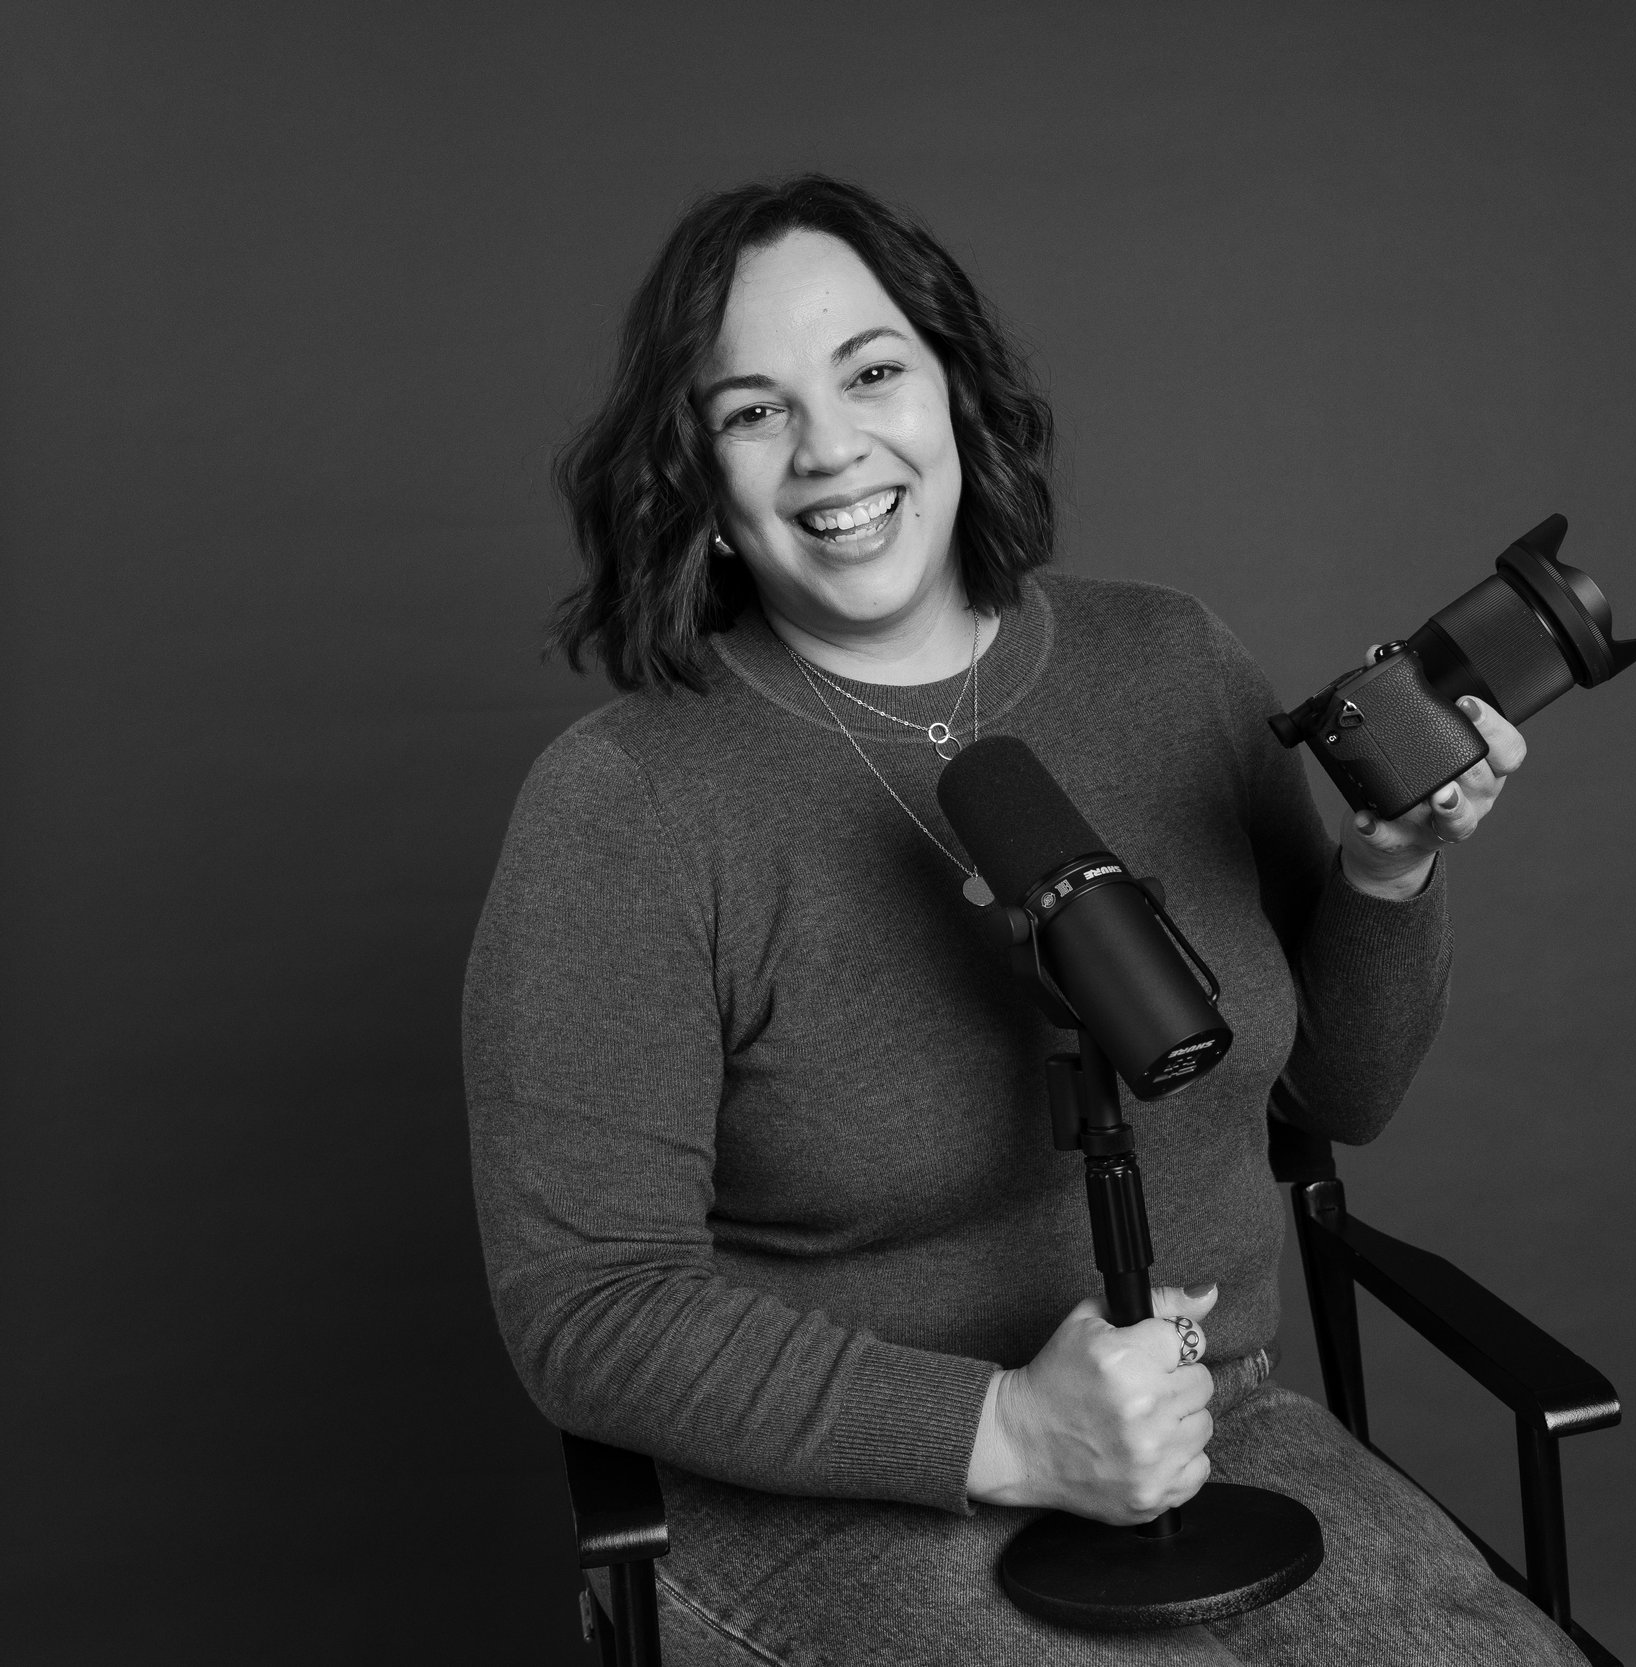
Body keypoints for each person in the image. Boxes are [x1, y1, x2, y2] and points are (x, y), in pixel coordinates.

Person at [463, 174, 1576, 1665]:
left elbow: (1333, 1100)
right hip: (827, 1490)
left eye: (869, 372)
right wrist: (1003, 1432)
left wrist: (1388, 876)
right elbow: (589, 1309)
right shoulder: (626, 805)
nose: (829, 448)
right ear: (700, 484)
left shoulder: (1171, 665)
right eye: (751, 410)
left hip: (1207, 1425)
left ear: (950, 390)